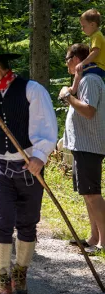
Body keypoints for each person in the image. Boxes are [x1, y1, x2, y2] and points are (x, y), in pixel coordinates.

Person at [0, 40, 57, 294]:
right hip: (1, 170)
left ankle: (20, 274)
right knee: (1, 224)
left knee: (27, 225)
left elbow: (47, 129)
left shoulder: (32, 90)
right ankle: (1, 280)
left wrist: (39, 156)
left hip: (29, 169)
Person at [59, 43, 105, 256]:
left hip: (90, 145)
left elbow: (89, 111)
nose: (66, 63)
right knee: (88, 193)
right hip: (82, 145)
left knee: (93, 194)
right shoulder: (84, 80)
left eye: (68, 58)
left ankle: (103, 243)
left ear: (76, 59)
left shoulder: (90, 80)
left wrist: (68, 96)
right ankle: (94, 237)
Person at [70, 9, 105, 95]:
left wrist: (82, 63)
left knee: (79, 69)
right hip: (96, 65)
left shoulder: (96, 36)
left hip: (98, 66)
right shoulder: (95, 36)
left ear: (92, 24)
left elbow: (95, 52)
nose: (82, 29)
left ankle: (73, 90)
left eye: (84, 26)